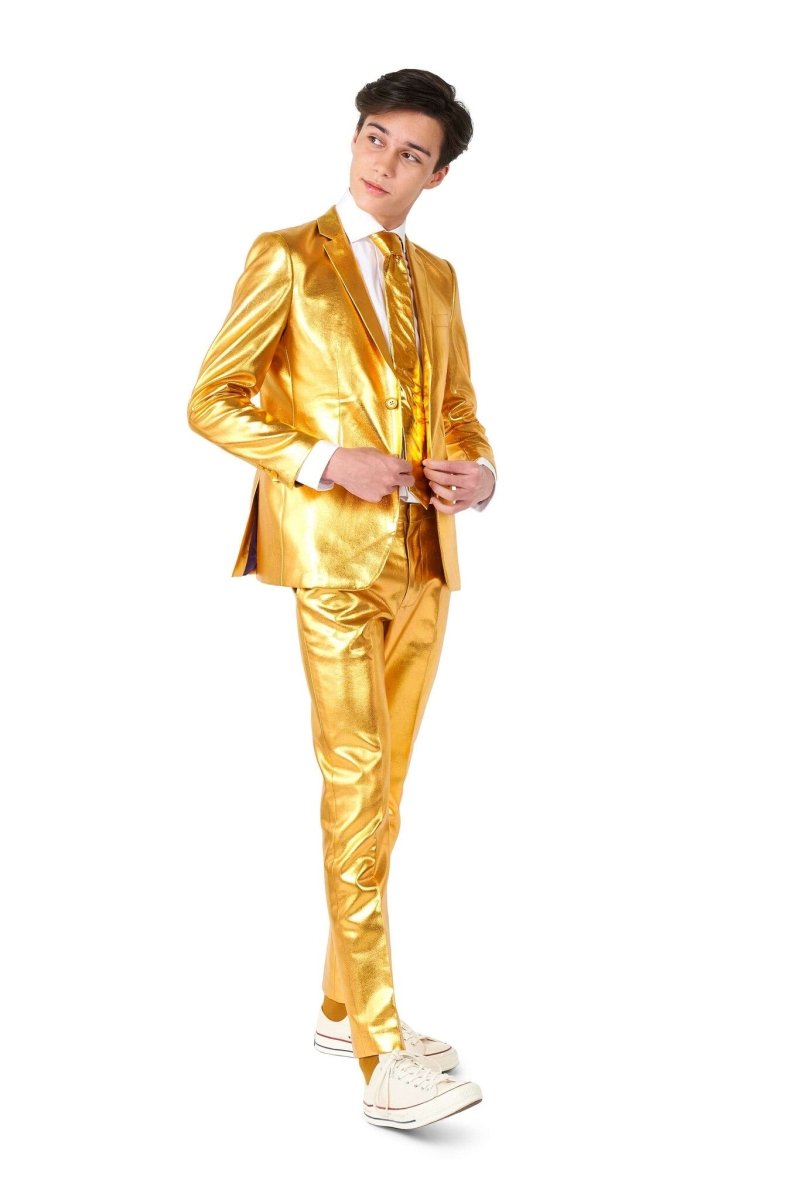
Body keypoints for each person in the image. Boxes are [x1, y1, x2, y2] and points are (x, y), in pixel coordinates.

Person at [187, 67, 496, 1130]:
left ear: (436, 176)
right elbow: (212, 400)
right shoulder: (287, 255)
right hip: (330, 562)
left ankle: (336, 1004)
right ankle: (379, 1047)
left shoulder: (439, 278)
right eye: (374, 138)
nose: (384, 163)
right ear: (355, 138)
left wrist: (479, 474)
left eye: (411, 154)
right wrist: (323, 460)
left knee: (387, 790)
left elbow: (459, 409)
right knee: (356, 786)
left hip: (425, 561)